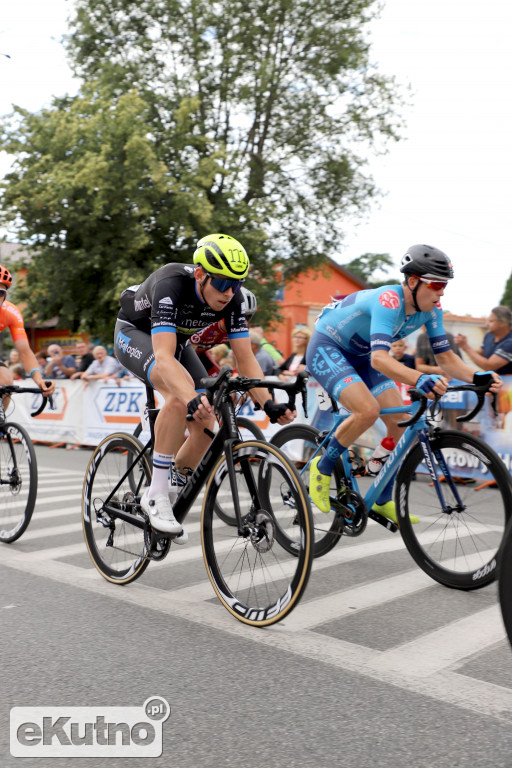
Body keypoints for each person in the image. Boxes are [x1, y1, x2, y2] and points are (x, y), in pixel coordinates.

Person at [114, 233, 295, 538]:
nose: (229, 292)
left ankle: (171, 492)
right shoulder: (171, 284)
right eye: (223, 283)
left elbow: (246, 358)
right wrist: (189, 397)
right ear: (200, 274)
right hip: (135, 334)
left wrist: (269, 404)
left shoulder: (233, 300)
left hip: (177, 341)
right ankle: (155, 494)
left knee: (207, 422)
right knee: (176, 394)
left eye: (237, 284)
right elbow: (163, 355)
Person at [305, 244, 502, 523]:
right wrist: (420, 378)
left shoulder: (432, 310)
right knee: (367, 410)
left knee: (400, 421)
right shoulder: (389, 300)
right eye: (435, 284)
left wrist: (476, 376)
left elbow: (446, 359)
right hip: (329, 347)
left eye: (444, 285)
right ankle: (322, 466)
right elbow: (380, 360)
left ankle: (382, 499)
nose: (441, 292)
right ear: (413, 281)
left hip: (362, 355)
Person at [0, 265, 54, 402]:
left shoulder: (10, 313)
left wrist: (39, 380)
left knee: (6, 382)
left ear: (5, 296)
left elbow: (24, 352)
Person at [455, 306, 512, 375]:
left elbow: (489, 366)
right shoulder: (489, 336)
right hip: (495, 380)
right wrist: (461, 346)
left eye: (491, 321)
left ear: (502, 323)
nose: (487, 324)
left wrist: (466, 347)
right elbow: (481, 353)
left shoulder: (510, 343)